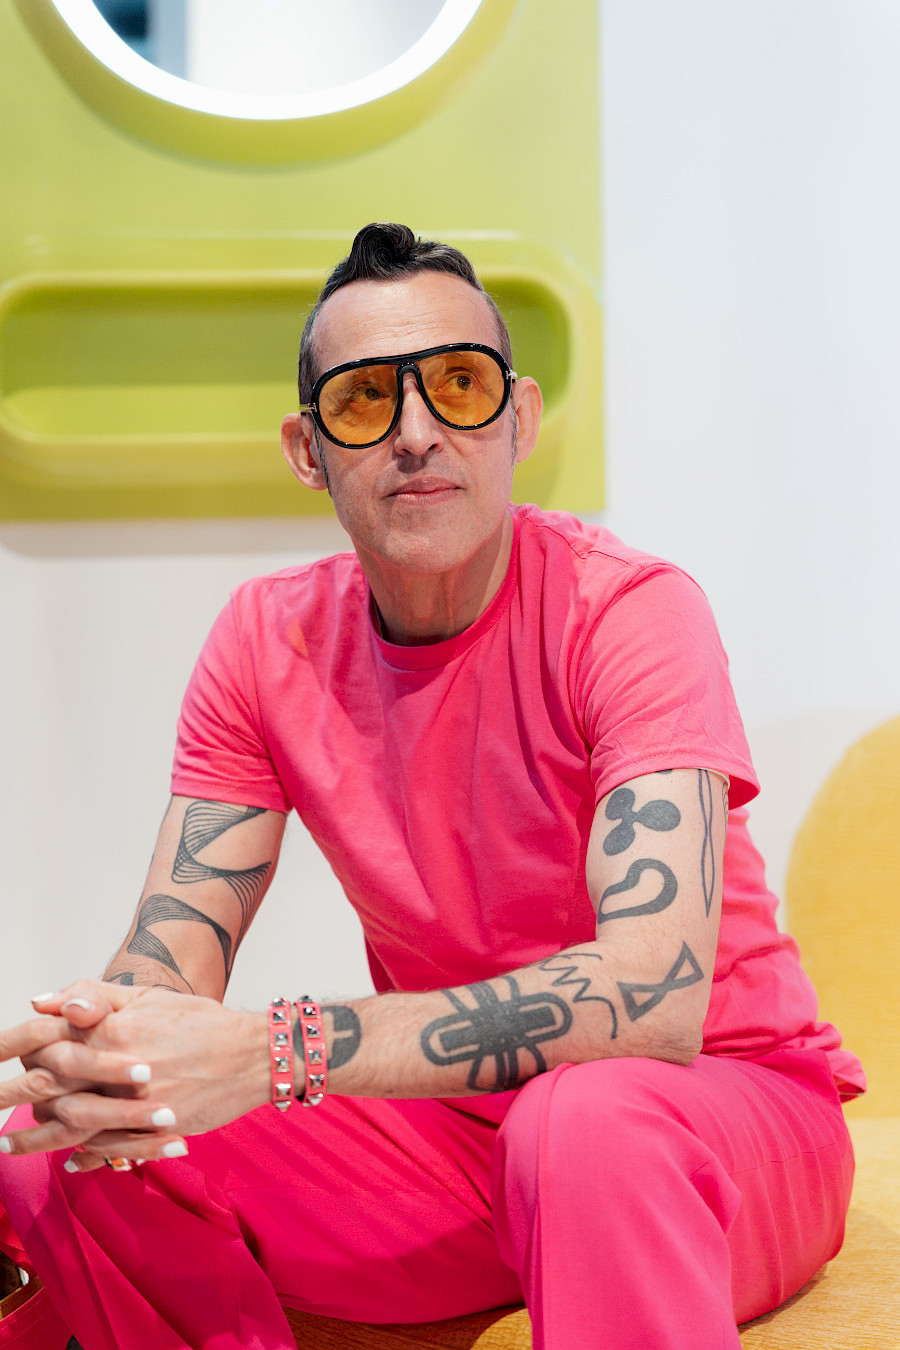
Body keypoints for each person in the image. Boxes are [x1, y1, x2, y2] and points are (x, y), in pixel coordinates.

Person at [0, 223, 864, 1350]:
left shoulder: (629, 612)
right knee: (81, 1141)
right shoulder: (267, 641)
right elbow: (168, 967)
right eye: (365, 401)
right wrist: (99, 1048)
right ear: (309, 451)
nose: (416, 433)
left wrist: (275, 1052)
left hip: (713, 1112)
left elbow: (653, 997)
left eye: (459, 385)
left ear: (519, 420)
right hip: (454, 1139)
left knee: (582, 1124)